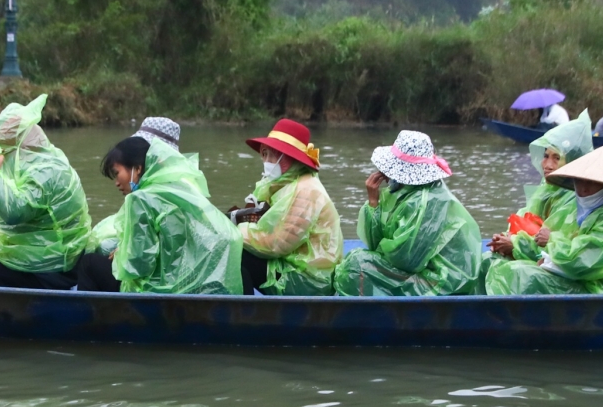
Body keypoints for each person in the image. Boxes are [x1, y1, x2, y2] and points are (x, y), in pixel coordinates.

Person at [0, 94, 91, 289]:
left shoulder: (43, 173)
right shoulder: (49, 161)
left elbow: (13, 213)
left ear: (18, 144)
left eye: (4, 148)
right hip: (55, 256)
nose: (2, 154)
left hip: (54, 270)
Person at [484, 145, 603, 295]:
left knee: (519, 275)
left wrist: (550, 242)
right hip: (586, 280)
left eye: (591, 182)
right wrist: (523, 248)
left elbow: (589, 260)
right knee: (494, 262)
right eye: (579, 181)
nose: (583, 188)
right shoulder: (581, 209)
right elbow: (548, 245)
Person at [77, 136, 243, 294]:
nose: (117, 183)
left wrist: (120, 255)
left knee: (88, 263)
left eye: (117, 173)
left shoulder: (139, 199)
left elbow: (139, 264)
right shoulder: (178, 187)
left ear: (137, 168)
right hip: (189, 280)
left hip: (156, 290)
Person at [334, 131, 482, 297]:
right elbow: (376, 246)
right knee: (355, 260)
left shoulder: (428, 201)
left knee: (357, 265)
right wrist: (373, 203)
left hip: (445, 281)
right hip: (426, 271)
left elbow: (405, 261)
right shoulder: (405, 193)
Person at [233, 119, 342, 296]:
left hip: (309, 278)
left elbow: (278, 244)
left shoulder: (307, 191)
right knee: (236, 250)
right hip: (292, 265)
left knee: (237, 255)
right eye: (264, 154)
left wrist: (237, 232)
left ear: (289, 158)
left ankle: (245, 313)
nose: (266, 161)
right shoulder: (284, 185)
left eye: (272, 155)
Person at [485, 110, 593, 274]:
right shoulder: (547, 189)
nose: (547, 165)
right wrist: (505, 238)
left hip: (559, 266)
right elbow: (525, 219)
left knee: (510, 274)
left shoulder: (578, 196)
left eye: (556, 158)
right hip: (536, 254)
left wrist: (515, 245)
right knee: (488, 260)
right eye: (546, 156)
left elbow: (561, 247)